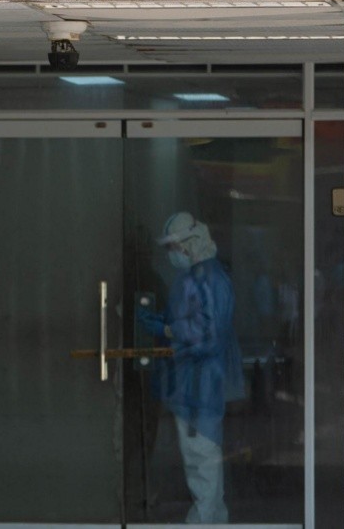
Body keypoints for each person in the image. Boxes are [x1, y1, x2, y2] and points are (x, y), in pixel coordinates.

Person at [138, 212, 242, 524]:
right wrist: (163, 323)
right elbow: (191, 321)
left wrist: (168, 329)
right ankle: (212, 521)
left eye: (173, 247)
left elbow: (207, 335)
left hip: (200, 386)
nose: (171, 254)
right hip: (193, 386)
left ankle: (203, 522)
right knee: (202, 461)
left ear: (189, 244)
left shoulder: (209, 278)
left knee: (201, 462)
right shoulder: (198, 276)